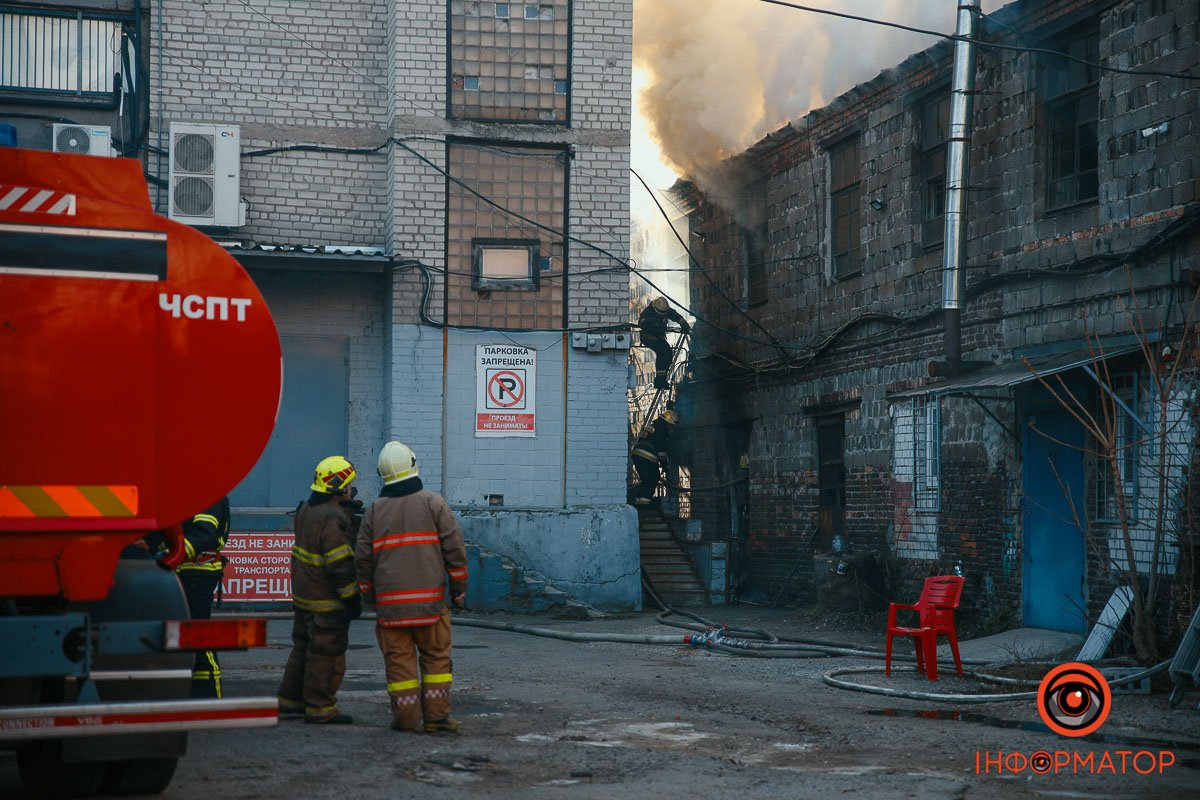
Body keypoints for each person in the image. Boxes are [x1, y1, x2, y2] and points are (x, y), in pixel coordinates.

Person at [355, 441, 469, 734]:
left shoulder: (374, 511)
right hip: (431, 607)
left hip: (391, 609)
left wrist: (370, 597)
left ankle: (406, 720)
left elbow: (363, 560)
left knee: (399, 666)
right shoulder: (433, 503)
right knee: (436, 660)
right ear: (413, 464)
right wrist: (459, 589)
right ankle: (437, 718)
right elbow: (454, 549)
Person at [277, 456, 363, 725]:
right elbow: (339, 562)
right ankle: (320, 707)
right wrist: (351, 597)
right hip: (326, 601)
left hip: (304, 596)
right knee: (325, 653)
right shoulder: (332, 516)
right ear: (339, 487)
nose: (352, 489)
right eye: (349, 485)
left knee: (302, 648)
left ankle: (290, 702)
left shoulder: (307, 509)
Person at [638, 296, 690, 389]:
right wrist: (657, 323)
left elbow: (676, 316)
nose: (663, 315)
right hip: (648, 338)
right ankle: (659, 381)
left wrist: (684, 324)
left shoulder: (664, 309)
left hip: (659, 338)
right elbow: (642, 323)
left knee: (668, 353)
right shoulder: (648, 313)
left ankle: (662, 378)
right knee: (662, 353)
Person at [632, 409, 678, 506]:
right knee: (652, 478)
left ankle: (638, 501)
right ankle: (644, 504)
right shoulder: (663, 429)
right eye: (671, 426)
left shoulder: (654, 425)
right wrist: (665, 466)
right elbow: (661, 451)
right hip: (647, 456)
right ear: (669, 423)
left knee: (646, 480)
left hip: (637, 454)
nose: (671, 428)